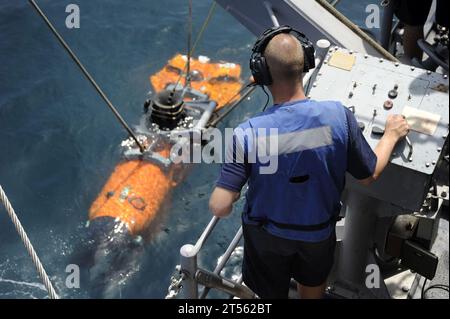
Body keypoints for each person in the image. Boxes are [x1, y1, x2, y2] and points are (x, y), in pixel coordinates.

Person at [208, 27, 410, 299]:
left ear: (263, 74)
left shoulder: (247, 134)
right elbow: (369, 175)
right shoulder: (339, 117)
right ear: (306, 64)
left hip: (267, 240)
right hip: (316, 235)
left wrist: (231, 189)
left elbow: (220, 206)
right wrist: (390, 135)